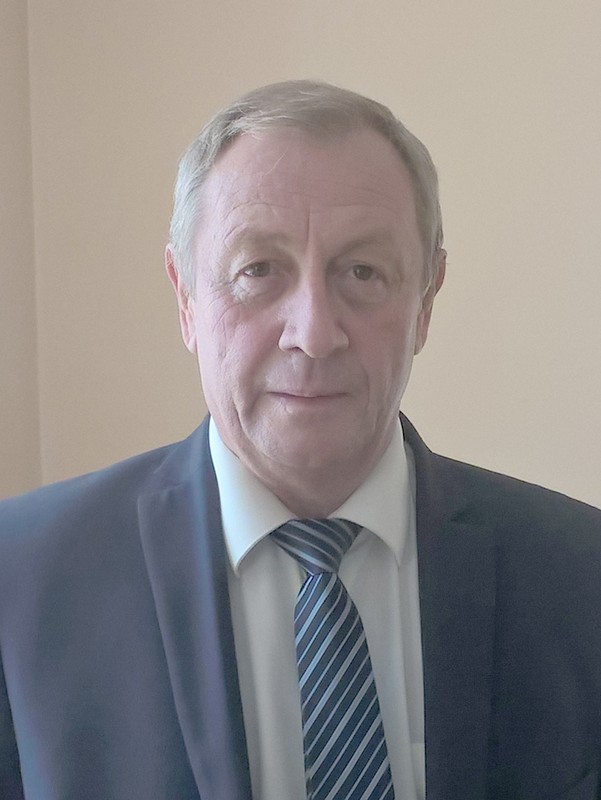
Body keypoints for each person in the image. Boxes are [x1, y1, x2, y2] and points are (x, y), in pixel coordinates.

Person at [0, 80, 600, 800]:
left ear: (425, 300)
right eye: (258, 271)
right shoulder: (20, 579)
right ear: (185, 297)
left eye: (362, 272)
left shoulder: (580, 575)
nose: (313, 333)